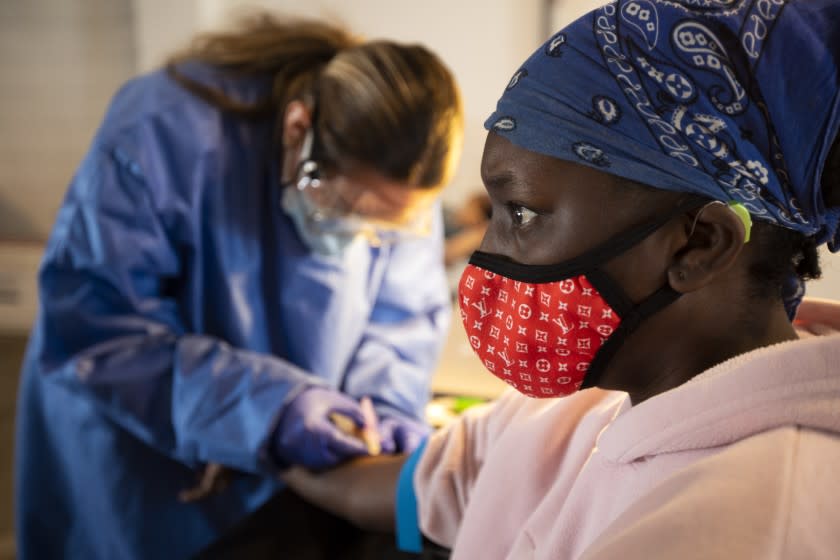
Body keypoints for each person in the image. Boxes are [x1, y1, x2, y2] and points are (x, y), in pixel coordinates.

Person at [280, 1, 840, 558]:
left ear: (699, 244)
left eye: (521, 214)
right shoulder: (564, 413)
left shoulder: (758, 524)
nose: (484, 258)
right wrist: (264, 441)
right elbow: (407, 490)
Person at [14, 15, 463, 560]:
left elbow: (401, 318)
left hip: (278, 458)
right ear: (298, 130)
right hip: (138, 438)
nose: (359, 241)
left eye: (384, 232)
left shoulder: (402, 178)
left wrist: (386, 407)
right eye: (345, 211)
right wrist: (269, 408)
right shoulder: (163, 133)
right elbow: (99, 330)